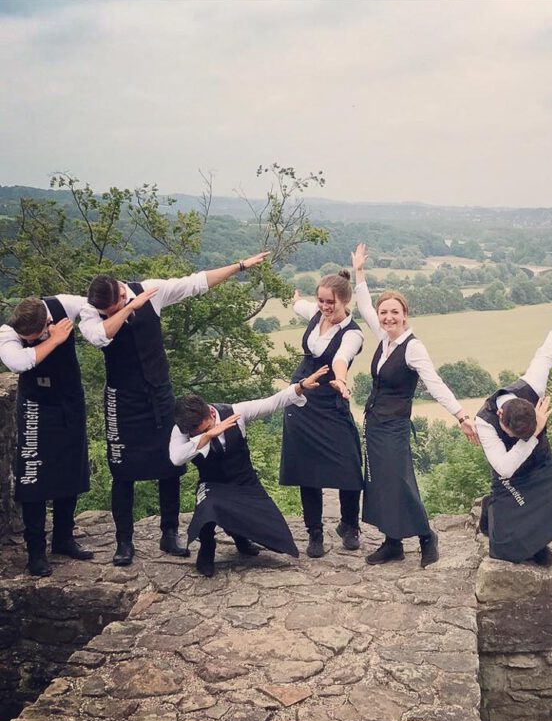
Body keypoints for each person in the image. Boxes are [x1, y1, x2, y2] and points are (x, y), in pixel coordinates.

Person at [79, 253, 269, 566]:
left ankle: (169, 534)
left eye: (122, 299)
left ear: (119, 287)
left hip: (158, 394)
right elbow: (99, 337)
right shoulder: (91, 312)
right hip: (123, 402)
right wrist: (128, 309)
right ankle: (124, 542)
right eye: (112, 308)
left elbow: (196, 283)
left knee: (170, 466)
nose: (121, 304)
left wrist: (239, 266)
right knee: (122, 473)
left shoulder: (149, 290)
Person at [352, 243, 478, 568]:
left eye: (395, 312)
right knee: (379, 483)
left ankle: (426, 536)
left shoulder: (412, 348)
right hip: (375, 424)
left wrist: (461, 415)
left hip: (394, 426)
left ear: (405, 315)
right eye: (384, 313)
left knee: (401, 482)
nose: (388, 317)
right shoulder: (384, 338)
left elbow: (435, 384)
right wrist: (360, 272)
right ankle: (392, 542)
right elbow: (364, 304)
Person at [169, 366, 329, 577]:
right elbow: (176, 458)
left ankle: (241, 539)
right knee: (207, 509)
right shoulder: (183, 428)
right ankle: (207, 550)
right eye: (194, 432)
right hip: (213, 483)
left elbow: (272, 402)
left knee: (276, 534)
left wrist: (300, 387)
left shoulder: (236, 411)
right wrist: (206, 437)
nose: (199, 433)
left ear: (209, 412)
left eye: (204, 428)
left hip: (244, 481)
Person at [475, 305, 552, 565]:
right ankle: (496, 511)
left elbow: (545, 354)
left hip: (543, 464)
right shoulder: (484, 423)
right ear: (500, 418)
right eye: (516, 435)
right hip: (511, 478)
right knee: (504, 547)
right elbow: (505, 468)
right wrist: (533, 435)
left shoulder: (532, 387)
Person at [0, 296, 93, 576]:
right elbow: (18, 363)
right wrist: (53, 340)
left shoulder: (63, 305)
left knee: (71, 471)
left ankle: (64, 538)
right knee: (33, 478)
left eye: (35, 336)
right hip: (35, 407)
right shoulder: (8, 332)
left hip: (69, 402)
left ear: (47, 321)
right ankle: (36, 552)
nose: (30, 340)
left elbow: (94, 307)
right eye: (26, 337)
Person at [279, 270, 364, 558]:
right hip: (301, 399)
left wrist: (340, 379)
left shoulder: (353, 334)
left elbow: (341, 358)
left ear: (345, 301)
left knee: (350, 463)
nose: (326, 308)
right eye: (322, 302)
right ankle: (314, 532)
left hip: (331, 399)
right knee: (307, 468)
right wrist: (296, 300)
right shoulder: (316, 313)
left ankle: (350, 525)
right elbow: (299, 306)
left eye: (331, 304)